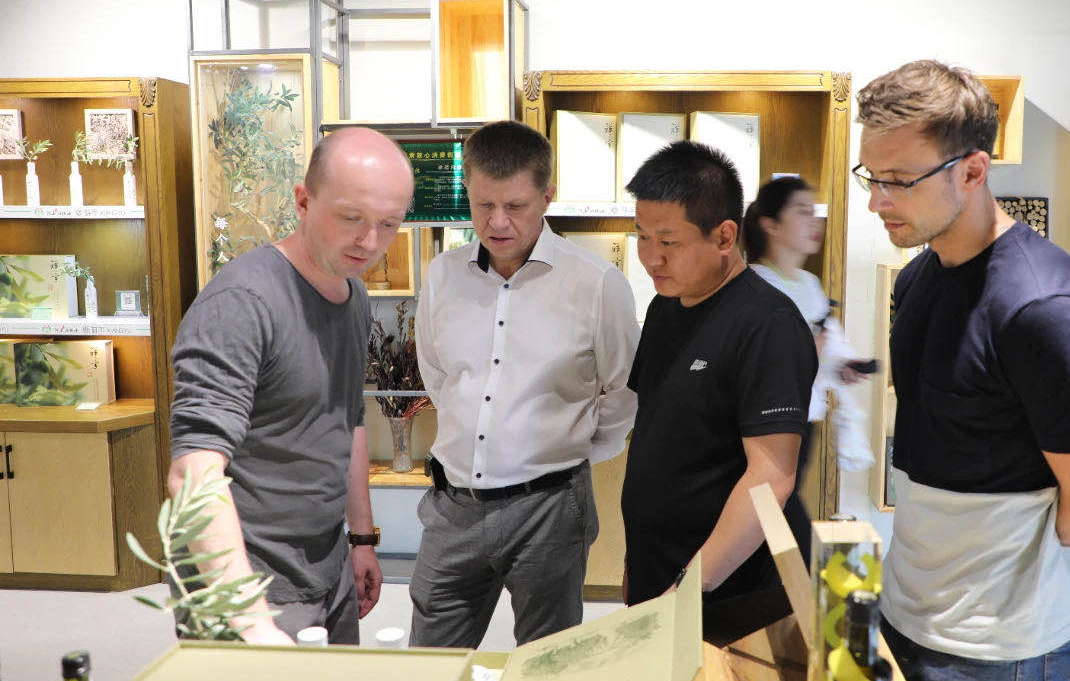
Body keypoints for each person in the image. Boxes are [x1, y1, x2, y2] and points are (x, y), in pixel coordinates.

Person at [854, 59, 1070, 681]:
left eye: (899, 181)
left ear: (973, 171)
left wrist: (1010, 551)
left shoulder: (1041, 310)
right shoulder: (918, 279)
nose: (876, 202)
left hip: (996, 651)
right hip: (908, 610)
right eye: (871, 177)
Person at [167, 126, 416, 645]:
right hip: (247, 580)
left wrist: (362, 537)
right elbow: (194, 473)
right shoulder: (242, 303)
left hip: (327, 563)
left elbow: (347, 420)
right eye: (351, 218)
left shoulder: (352, 295)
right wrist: (251, 620)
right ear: (303, 201)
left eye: (388, 224)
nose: (370, 242)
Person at [410, 120, 639, 648]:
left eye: (515, 206)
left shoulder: (596, 283)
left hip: (549, 508)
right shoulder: (442, 275)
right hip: (453, 507)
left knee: (546, 665)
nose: (497, 222)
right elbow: (438, 376)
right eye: (483, 204)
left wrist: (568, 450)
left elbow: (623, 390)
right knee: (430, 664)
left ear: (547, 197)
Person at [621, 141, 818, 645]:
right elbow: (656, 434)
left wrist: (691, 586)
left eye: (668, 241)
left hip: (728, 593)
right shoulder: (665, 306)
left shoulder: (769, 324)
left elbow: (771, 476)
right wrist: (636, 561)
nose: (650, 257)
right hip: (659, 577)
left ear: (725, 236)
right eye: (642, 236)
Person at [742, 176, 867, 559]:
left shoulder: (810, 284)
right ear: (771, 224)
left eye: (815, 212)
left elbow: (829, 348)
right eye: (802, 212)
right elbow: (752, 361)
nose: (815, 222)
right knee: (777, 517)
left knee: (777, 518)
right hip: (766, 425)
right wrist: (804, 353)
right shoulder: (753, 284)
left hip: (805, 421)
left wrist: (844, 367)